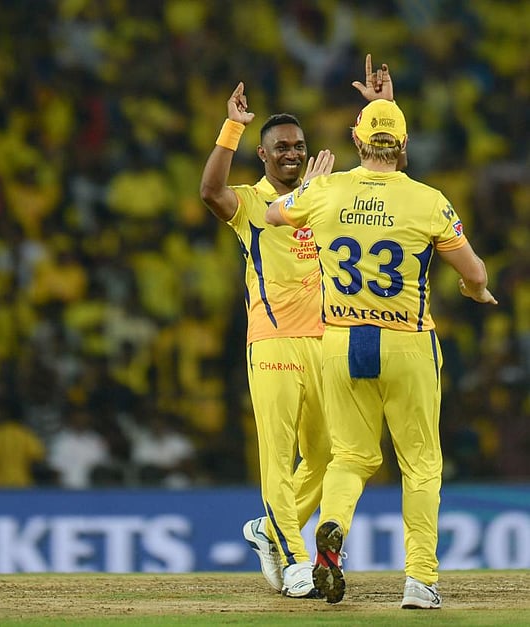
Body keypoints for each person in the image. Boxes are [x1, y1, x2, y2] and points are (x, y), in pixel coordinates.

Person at [265, 84, 498, 607]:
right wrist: (474, 288)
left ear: (356, 139)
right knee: (420, 465)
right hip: (407, 344)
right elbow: (475, 270)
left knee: (350, 457)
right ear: (404, 143)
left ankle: (331, 532)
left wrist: (310, 187)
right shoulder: (428, 200)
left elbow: (275, 214)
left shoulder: (327, 191)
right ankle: (419, 580)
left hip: (342, 341)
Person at [199, 55, 394, 598]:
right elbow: (211, 193)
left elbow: (387, 182)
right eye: (281, 147)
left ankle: (266, 531)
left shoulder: (326, 196)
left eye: (299, 146)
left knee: (329, 455)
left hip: (328, 343)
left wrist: (381, 108)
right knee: (277, 455)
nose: (292, 153)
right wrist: (231, 125)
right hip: (273, 342)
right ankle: (293, 558)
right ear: (262, 155)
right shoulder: (255, 204)